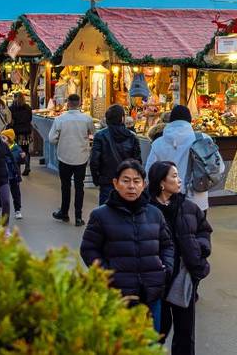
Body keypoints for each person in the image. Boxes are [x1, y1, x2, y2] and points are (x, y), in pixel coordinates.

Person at [80, 160, 175, 328]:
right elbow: (88, 249)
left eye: (136, 181)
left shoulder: (155, 214)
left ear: (144, 185)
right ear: (115, 183)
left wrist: (166, 269)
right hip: (117, 295)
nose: (131, 186)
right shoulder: (100, 215)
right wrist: (106, 275)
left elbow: (167, 245)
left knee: (151, 340)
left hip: (151, 294)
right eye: (126, 180)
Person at [148, 161, 212, 354]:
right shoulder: (147, 209)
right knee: (157, 331)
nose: (179, 180)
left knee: (185, 332)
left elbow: (204, 231)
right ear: (161, 182)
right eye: (174, 176)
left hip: (184, 277)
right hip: (157, 279)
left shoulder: (188, 207)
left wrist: (199, 250)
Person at [145, 105, 208, 213]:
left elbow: (149, 173)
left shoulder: (158, 143)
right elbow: (218, 168)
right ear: (190, 120)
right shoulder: (203, 139)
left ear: (171, 120)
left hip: (167, 199)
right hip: (197, 200)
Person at [49, 94, 95, 226]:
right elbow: (93, 133)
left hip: (64, 156)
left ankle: (64, 213)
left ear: (68, 103)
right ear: (79, 103)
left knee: (65, 186)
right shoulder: (87, 119)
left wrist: (61, 140)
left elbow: (51, 139)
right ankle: (78, 217)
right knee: (79, 187)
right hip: (81, 157)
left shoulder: (60, 119)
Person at [91, 104, 142, 205]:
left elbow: (94, 160)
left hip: (107, 180)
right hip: (127, 181)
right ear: (122, 118)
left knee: (106, 210)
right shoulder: (131, 136)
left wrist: (97, 179)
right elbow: (137, 162)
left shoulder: (100, 136)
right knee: (126, 210)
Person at [1, 129, 26, 219]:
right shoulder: (1, 147)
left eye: (3, 138)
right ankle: (0, 207)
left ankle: (17, 210)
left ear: (9, 138)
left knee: (16, 193)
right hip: (4, 174)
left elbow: (17, 159)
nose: (1, 139)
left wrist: (22, 157)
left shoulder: (16, 149)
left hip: (14, 175)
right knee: (3, 193)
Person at [9, 92, 33, 175]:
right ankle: (27, 166)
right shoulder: (28, 107)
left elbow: (10, 121)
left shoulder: (12, 108)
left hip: (17, 132)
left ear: (14, 98)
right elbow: (30, 118)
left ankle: (18, 169)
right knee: (26, 150)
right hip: (26, 132)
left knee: (16, 150)